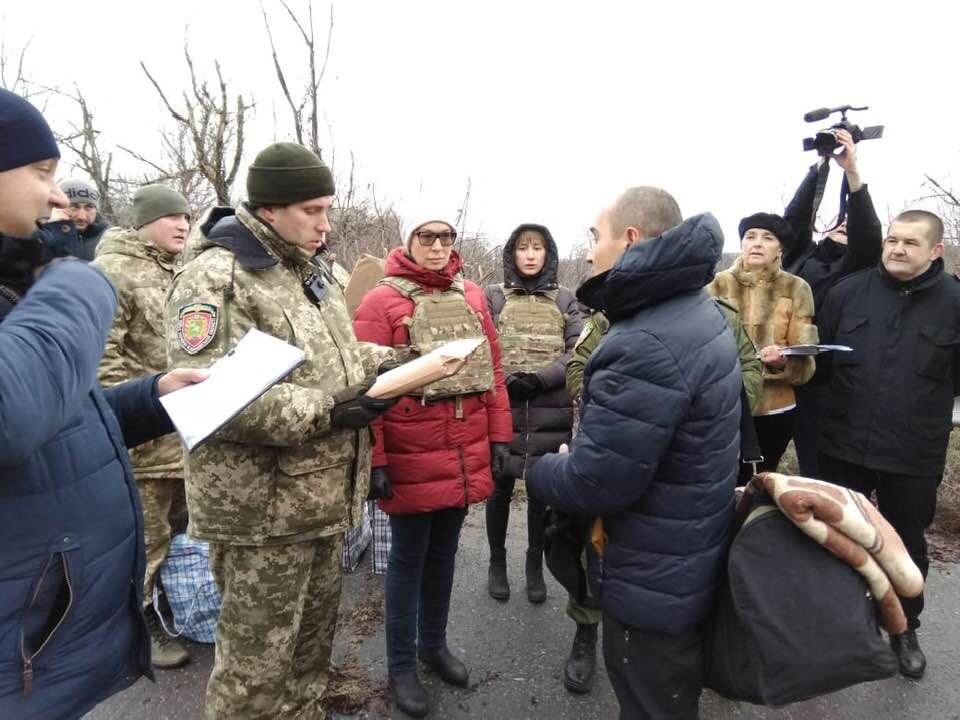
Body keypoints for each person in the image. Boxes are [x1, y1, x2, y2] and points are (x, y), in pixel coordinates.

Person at [166, 142, 395, 719]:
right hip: (260, 514)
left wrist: (392, 362)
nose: (326, 224)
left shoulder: (306, 269)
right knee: (255, 673)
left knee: (309, 653)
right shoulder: (216, 277)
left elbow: (330, 356)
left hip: (316, 502)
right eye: (312, 210)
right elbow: (209, 394)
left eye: (326, 208)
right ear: (269, 208)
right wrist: (328, 409)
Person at [0, 87, 205, 720]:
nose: (58, 197)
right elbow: (13, 416)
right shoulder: (78, 273)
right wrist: (75, 277)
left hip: (36, 645)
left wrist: (150, 399)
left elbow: (55, 412)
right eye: (41, 173)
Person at [528, 187, 741, 719]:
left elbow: (596, 482)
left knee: (650, 703)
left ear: (629, 238)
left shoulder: (645, 341)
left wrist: (543, 468)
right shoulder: (695, 310)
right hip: (685, 554)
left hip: (651, 575)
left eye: (595, 236)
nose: (590, 250)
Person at [558, 288, 761, 697]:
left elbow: (750, 371)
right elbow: (577, 366)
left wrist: (703, 408)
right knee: (593, 547)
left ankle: (692, 652)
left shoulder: (720, 316)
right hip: (614, 450)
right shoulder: (612, 315)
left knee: (684, 561)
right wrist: (621, 404)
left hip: (691, 465)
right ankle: (585, 631)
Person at [353, 215, 513, 718]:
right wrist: (375, 459)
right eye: (428, 237)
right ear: (409, 243)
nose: (439, 246)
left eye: (446, 238)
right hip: (409, 450)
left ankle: (434, 645)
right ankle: (401, 665)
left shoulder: (471, 297)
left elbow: (495, 370)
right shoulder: (381, 302)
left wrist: (500, 437)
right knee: (407, 559)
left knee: (444, 552)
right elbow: (365, 385)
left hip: (464, 449)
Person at [816, 209, 959, 680]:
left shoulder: (956, 303)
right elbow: (822, 367)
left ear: (936, 250)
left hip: (911, 452)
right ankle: (837, 628)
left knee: (906, 546)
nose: (897, 249)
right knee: (835, 540)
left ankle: (904, 629)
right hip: (842, 444)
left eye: (910, 243)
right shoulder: (847, 293)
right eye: (892, 240)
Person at [92, 184, 193, 669]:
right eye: (172, 217)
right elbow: (102, 360)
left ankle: (172, 605)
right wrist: (133, 422)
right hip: (145, 437)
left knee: (179, 529)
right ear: (144, 222)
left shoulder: (180, 269)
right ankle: (138, 626)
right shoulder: (112, 271)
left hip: (185, 431)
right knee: (146, 539)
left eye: (187, 219)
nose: (182, 225)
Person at [483, 223, 583, 605]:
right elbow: (484, 343)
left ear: (547, 254)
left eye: (536, 248)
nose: (529, 254)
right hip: (503, 406)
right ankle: (496, 564)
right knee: (499, 488)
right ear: (512, 253)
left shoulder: (564, 299)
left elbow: (577, 351)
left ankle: (533, 567)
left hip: (548, 408)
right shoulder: (494, 296)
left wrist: (540, 380)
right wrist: (506, 379)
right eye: (523, 247)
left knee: (541, 491)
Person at [782, 129, 883, 476]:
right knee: (756, 464)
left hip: (823, 387)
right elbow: (793, 223)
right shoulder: (800, 258)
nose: (845, 224)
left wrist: (852, 171)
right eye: (841, 221)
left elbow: (868, 234)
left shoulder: (858, 267)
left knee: (818, 473)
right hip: (778, 376)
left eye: (850, 224)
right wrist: (821, 166)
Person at [707, 212, 818, 483]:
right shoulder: (716, 284)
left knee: (760, 481)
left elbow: (807, 354)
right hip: (725, 404)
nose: (757, 243)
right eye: (750, 237)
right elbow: (701, 344)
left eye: (767, 238)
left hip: (775, 408)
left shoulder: (797, 288)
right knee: (718, 480)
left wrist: (783, 361)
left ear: (780, 249)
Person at [40, 178, 109, 260]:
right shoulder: (37, 236)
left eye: (89, 207)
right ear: (57, 207)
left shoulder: (109, 240)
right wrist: (54, 229)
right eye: (73, 207)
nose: (82, 217)